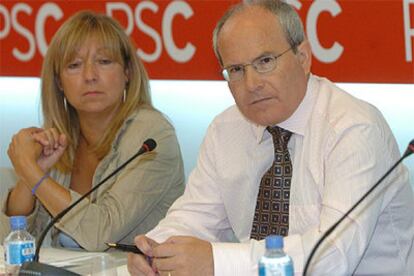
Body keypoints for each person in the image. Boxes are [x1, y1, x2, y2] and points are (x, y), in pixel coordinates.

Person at [127, 0, 414, 275]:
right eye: (237, 70)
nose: (252, 84)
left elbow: (331, 258)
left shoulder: (353, 128)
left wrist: (218, 263)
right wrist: (156, 248)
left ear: (303, 58)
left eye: (265, 61)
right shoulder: (226, 128)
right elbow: (196, 216)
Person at [0, 11, 185, 251]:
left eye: (104, 62)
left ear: (127, 71)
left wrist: (30, 171)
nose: (90, 76)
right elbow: (10, 242)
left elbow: (100, 234)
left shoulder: (152, 136)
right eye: (74, 65)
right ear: (58, 82)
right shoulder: (60, 140)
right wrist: (32, 174)